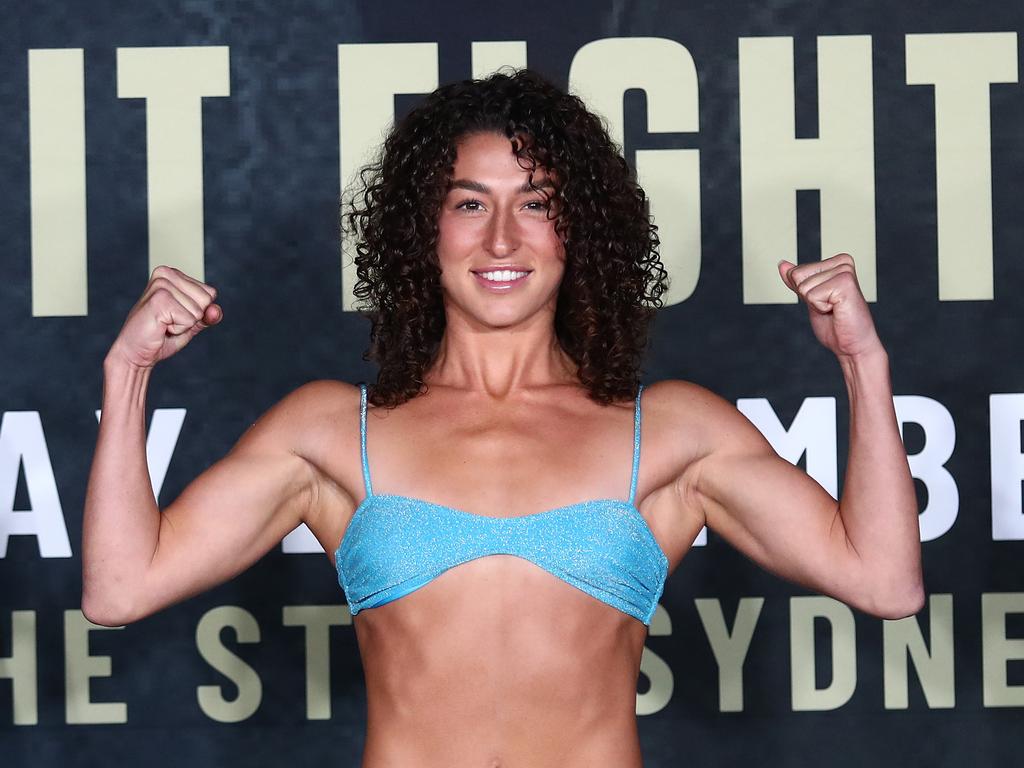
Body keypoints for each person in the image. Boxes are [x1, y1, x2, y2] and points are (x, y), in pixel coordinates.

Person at [82, 68, 923, 767]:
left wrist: (862, 363)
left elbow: (883, 582)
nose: (502, 242)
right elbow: (120, 589)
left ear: (580, 230)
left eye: (537, 202)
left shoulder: (670, 433)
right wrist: (128, 374)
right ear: (424, 231)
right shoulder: (333, 432)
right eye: (470, 204)